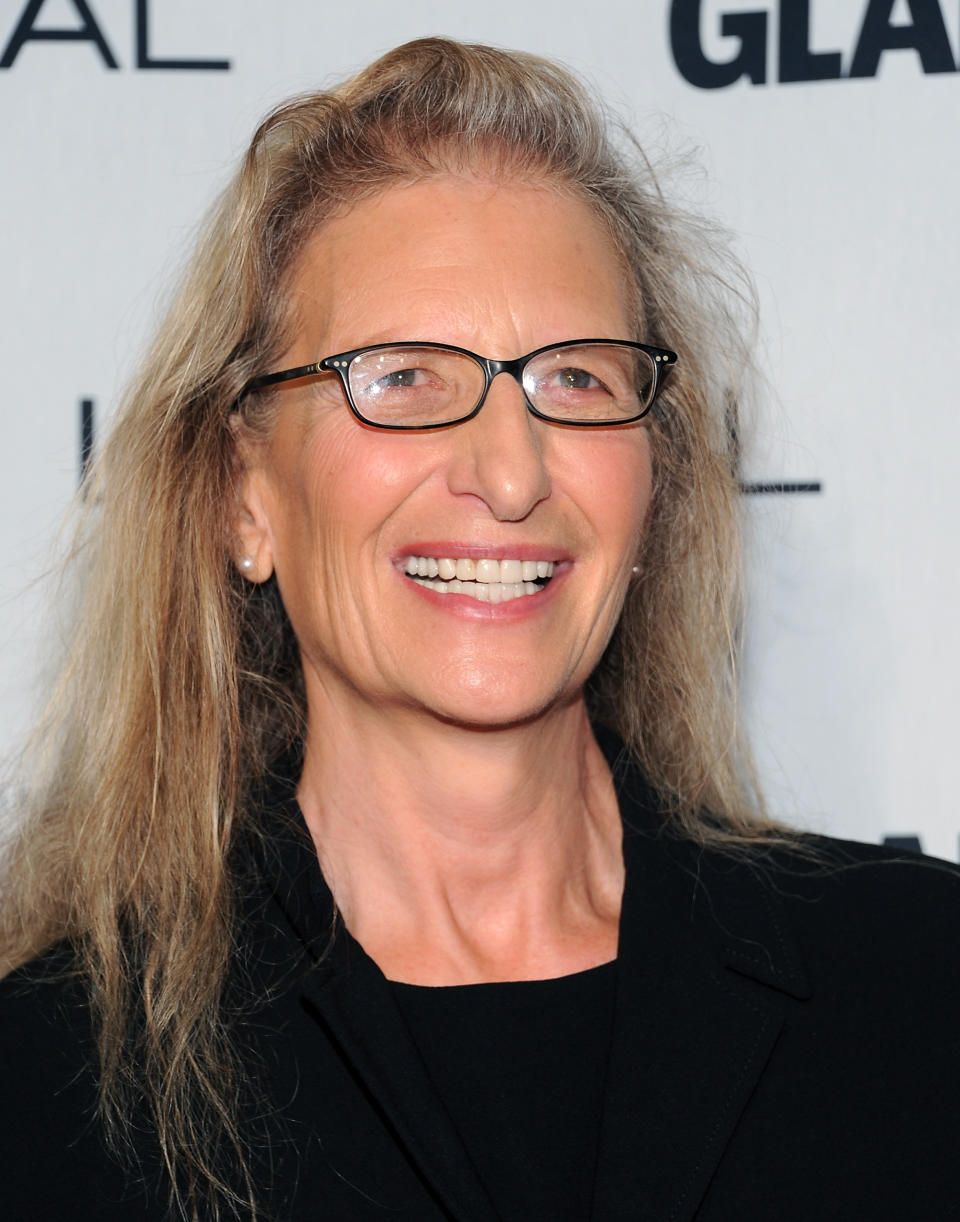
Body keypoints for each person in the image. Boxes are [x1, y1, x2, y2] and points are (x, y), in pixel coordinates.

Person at [1, 36, 958, 1222]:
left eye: (577, 381)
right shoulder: (42, 1090)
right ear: (242, 496)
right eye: (400, 377)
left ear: (651, 478)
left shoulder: (923, 987)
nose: (511, 472)